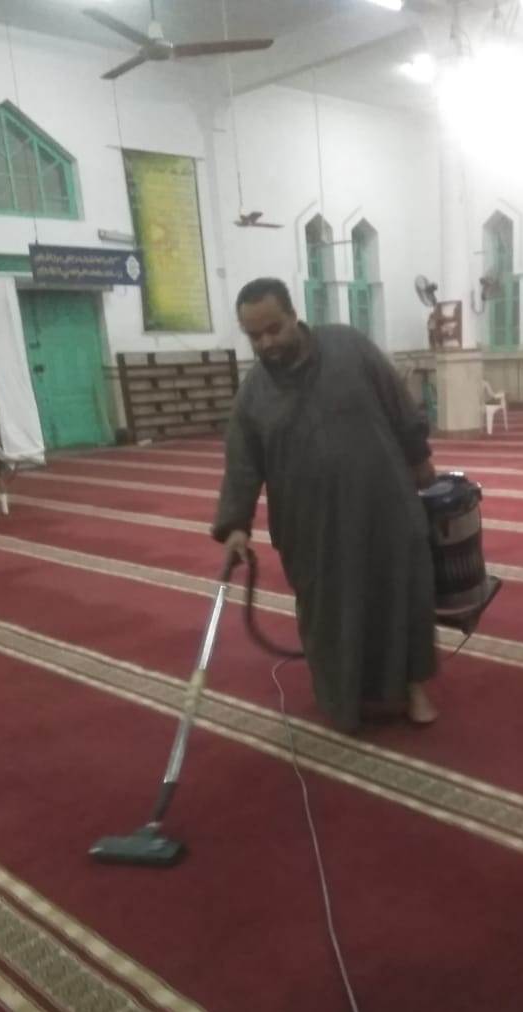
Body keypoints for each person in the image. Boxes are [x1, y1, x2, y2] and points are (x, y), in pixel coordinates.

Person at [212, 277, 439, 733]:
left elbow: (398, 404)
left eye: (273, 329)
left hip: (383, 506)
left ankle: (413, 689)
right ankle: (344, 701)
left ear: (294, 316)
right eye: (254, 336)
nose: (266, 343)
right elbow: (242, 463)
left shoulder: (349, 347)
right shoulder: (253, 394)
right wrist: (235, 524)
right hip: (310, 529)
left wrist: (420, 460)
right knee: (330, 614)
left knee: (399, 596)